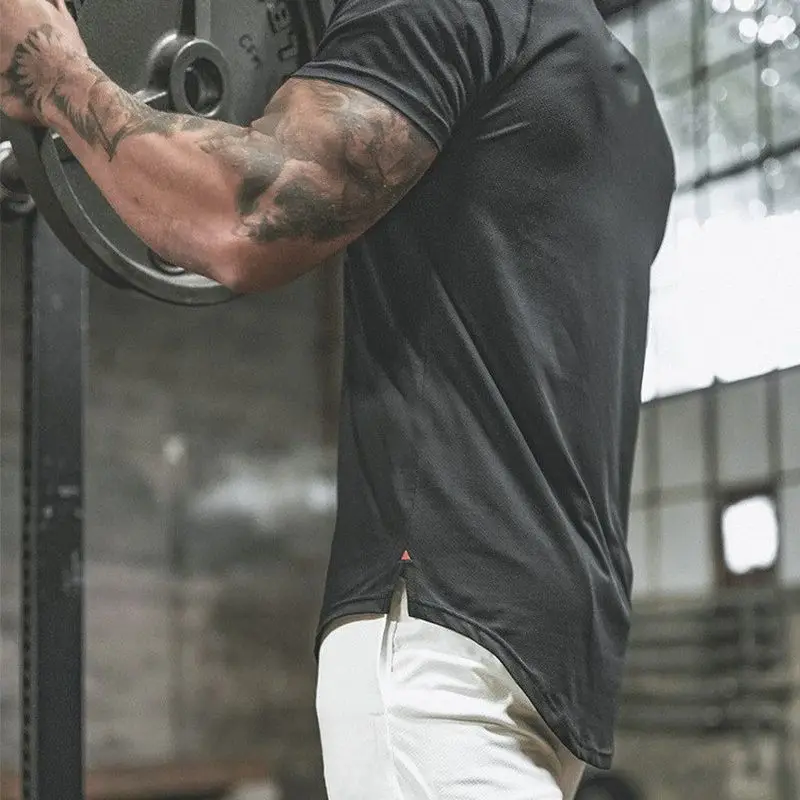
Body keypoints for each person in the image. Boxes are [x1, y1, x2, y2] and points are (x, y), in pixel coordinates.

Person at [0, 0, 675, 797]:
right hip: (552, 648)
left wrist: (54, 72)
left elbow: (243, 212)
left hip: (444, 651)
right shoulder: (623, 96)